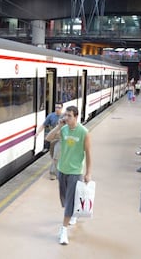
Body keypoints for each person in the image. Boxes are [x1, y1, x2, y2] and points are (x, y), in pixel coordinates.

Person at [45, 105, 92, 245]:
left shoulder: (84, 132)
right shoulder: (64, 130)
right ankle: (71, 212)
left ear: (76, 117)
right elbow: (48, 138)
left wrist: (88, 173)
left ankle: (63, 230)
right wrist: (58, 127)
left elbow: (88, 154)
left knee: (70, 201)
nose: (66, 118)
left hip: (75, 171)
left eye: (69, 116)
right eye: (65, 115)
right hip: (62, 169)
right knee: (64, 198)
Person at [36, 102, 63, 180]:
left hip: (61, 139)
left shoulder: (64, 116)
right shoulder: (51, 116)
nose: (57, 109)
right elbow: (44, 125)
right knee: (53, 156)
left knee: (55, 156)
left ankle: (53, 173)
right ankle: (59, 170)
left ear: (62, 108)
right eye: (56, 107)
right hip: (52, 139)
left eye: (59, 107)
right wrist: (38, 132)